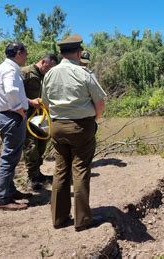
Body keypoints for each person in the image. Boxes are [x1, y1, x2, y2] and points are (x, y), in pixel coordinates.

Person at [42, 35, 106, 231]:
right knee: (80, 170)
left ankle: (59, 219)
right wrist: (94, 120)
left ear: (61, 53)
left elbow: (45, 103)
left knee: (60, 171)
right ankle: (83, 220)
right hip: (81, 127)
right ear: (78, 53)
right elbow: (100, 103)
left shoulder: (50, 74)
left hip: (58, 127)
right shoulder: (84, 73)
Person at [0, 42, 33, 210]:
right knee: (9, 158)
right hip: (12, 116)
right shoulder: (10, 69)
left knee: (12, 157)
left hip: (7, 116)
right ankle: (2, 199)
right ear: (18, 53)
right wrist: (20, 110)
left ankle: (9, 190)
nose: (26, 56)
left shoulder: (5, 67)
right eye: (25, 52)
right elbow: (10, 91)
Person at [21, 53, 58, 190]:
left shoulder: (45, 76)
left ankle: (38, 173)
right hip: (27, 116)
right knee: (30, 147)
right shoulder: (25, 72)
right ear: (43, 62)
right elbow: (15, 94)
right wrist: (31, 103)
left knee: (42, 143)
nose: (50, 71)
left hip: (41, 117)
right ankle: (32, 177)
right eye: (49, 67)